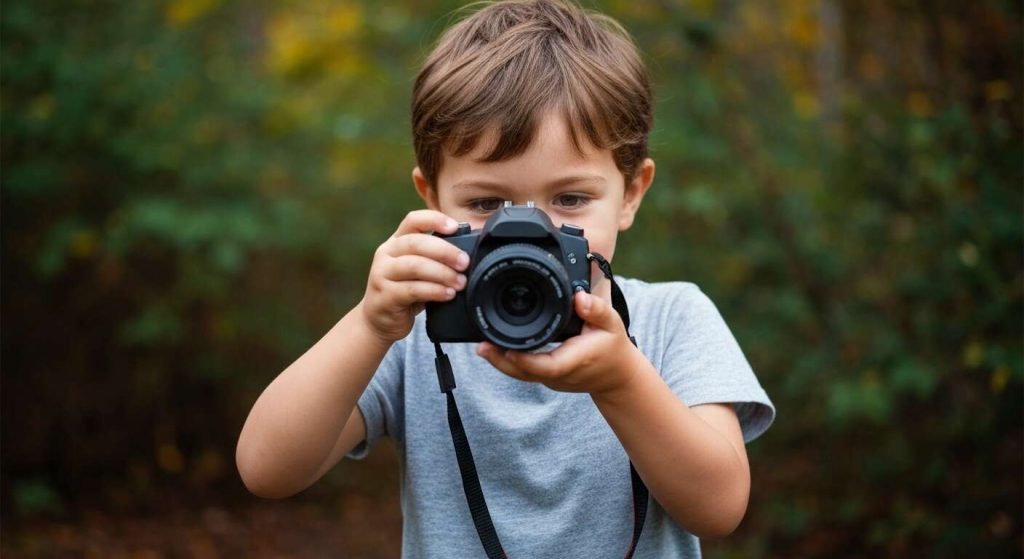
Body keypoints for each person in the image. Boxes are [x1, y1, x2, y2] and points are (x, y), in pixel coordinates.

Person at [236, 1, 774, 557]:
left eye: (569, 199)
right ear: (432, 198)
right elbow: (266, 469)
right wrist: (369, 325)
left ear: (630, 194)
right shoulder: (415, 332)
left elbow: (719, 508)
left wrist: (621, 381)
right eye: (486, 201)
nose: (527, 230)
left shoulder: (671, 320)